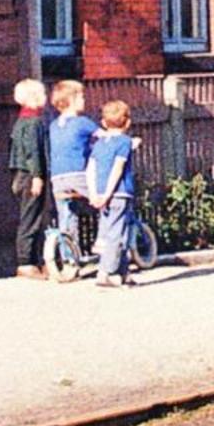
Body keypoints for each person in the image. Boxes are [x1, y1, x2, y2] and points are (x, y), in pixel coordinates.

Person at [87, 99, 137, 288]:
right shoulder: (124, 142)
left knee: (114, 231)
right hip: (119, 193)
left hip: (99, 193)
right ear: (128, 122)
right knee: (116, 233)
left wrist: (94, 193)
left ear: (103, 122)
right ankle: (105, 272)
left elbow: (90, 168)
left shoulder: (99, 144)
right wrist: (108, 194)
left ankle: (123, 272)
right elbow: (118, 169)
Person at [6, 78, 50, 279]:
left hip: (20, 175)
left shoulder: (21, 121)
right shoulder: (33, 123)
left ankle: (34, 260)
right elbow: (32, 152)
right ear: (34, 97)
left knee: (30, 217)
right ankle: (26, 262)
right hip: (30, 175)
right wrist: (37, 176)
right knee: (30, 219)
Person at [47, 79, 97, 251]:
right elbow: (107, 138)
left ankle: (68, 256)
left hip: (57, 177)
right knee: (106, 201)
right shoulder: (82, 122)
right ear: (72, 100)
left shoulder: (54, 125)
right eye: (82, 97)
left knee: (67, 214)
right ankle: (107, 240)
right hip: (77, 174)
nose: (84, 100)